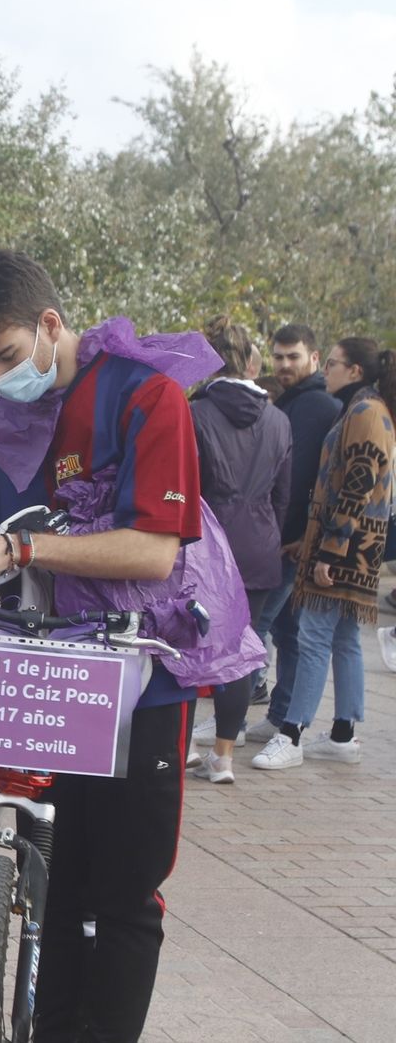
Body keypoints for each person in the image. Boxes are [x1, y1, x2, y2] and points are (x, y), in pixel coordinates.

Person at [0, 250, 202, 1041]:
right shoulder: (14, 418)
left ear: (51, 325)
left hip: (143, 679)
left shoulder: (145, 397)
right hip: (50, 670)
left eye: (8, 358)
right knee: (57, 883)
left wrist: (22, 551)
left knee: (122, 894)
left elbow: (156, 552)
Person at [252, 336, 394, 770]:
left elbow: (356, 484)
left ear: (354, 372)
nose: (325, 370)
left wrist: (329, 549)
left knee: (314, 635)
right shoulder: (368, 410)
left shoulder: (366, 412)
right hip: (357, 545)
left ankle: (292, 734)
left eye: (331, 364)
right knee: (346, 637)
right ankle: (343, 733)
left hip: (347, 547)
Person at [187, 318, 291, 782]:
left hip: (208, 547)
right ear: (250, 357)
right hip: (260, 546)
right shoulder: (279, 418)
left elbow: (187, 489)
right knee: (243, 651)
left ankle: (185, 744)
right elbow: (282, 496)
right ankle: (224, 756)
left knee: (188, 646)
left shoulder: (193, 413)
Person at [245, 324, 341, 743]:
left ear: (314, 359)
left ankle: (238, 718)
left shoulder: (318, 405)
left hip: (290, 539)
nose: (284, 365)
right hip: (283, 535)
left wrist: (298, 535)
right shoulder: (294, 402)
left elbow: (304, 476)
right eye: (279, 357)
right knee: (284, 631)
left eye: (293, 357)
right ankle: (279, 715)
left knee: (255, 627)